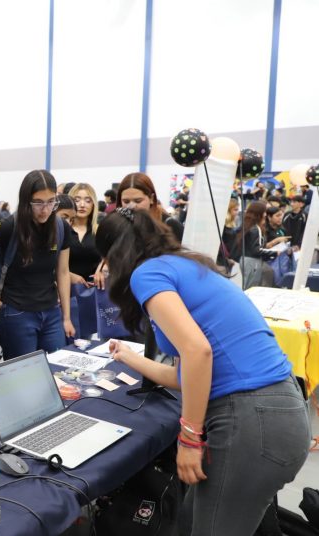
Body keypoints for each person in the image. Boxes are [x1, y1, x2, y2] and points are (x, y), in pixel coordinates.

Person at [96, 208, 310, 536]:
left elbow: (198, 352)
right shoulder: (185, 266)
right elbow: (187, 374)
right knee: (189, 521)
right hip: (277, 413)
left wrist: (189, 438)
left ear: (114, 254)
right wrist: (128, 357)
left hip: (253, 419)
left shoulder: (147, 274)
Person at [0, 170, 74, 359]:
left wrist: (66, 317)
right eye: (38, 203)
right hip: (16, 313)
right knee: (23, 371)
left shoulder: (61, 227)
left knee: (57, 369)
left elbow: (63, 272)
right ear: (26, 200)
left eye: (51, 202)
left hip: (51, 312)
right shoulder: (9, 225)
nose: (45, 209)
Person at [233, 201, 276, 289]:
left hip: (245, 259)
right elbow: (256, 250)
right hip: (252, 261)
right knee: (251, 287)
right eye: (264, 211)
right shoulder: (255, 229)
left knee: (249, 286)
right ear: (259, 213)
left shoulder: (247, 226)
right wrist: (274, 252)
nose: (265, 214)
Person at [67, 183, 102, 288]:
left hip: (95, 290)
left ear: (93, 204)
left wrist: (102, 268)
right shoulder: (62, 230)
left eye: (88, 201)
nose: (82, 205)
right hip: (66, 288)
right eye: (77, 200)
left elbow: (109, 257)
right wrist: (68, 275)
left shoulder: (100, 231)